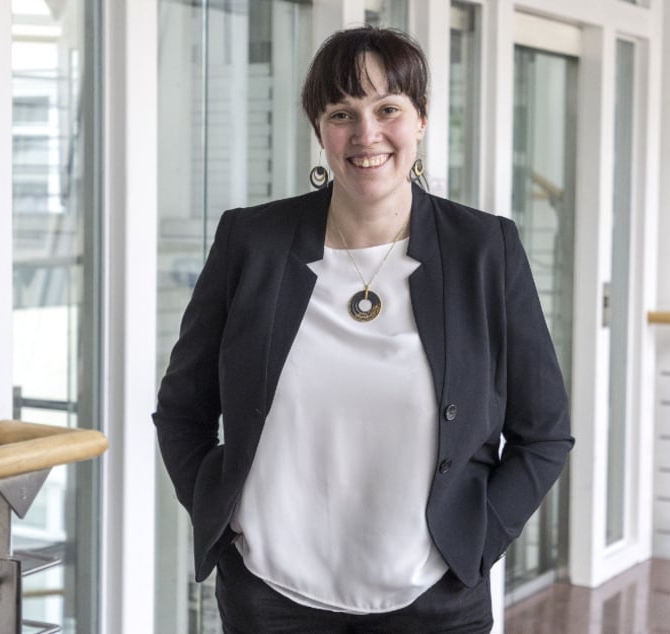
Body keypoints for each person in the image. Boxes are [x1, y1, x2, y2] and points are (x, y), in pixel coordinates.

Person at [154, 26, 573, 634]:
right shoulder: (252, 242)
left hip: (434, 599)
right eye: (342, 113)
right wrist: (226, 518)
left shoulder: (485, 250)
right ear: (319, 129)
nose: (366, 134)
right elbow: (181, 409)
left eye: (388, 109)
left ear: (422, 119)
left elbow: (545, 434)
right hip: (270, 596)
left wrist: (476, 541)